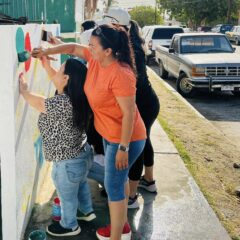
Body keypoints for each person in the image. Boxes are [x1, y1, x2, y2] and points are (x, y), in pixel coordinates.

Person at [32, 23, 146, 240]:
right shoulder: (96, 58)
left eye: (92, 45)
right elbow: (72, 48)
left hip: (125, 138)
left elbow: (129, 115)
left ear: (108, 51)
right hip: (110, 136)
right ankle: (121, 227)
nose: (88, 48)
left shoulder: (121, 74)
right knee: (117, 182)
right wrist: (46, 52)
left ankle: (116, 237)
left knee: (113, 187)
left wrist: (123, 147)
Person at [19, 57, 96, 237]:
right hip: (82, 154)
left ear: (67, 79)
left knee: (66, 196)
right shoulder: (77, 96)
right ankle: (86, 211)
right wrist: (46, 64)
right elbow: (56, 77)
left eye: (59, 70)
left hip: (68, 163)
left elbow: (39, 103)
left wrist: (24, 92)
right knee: (81, 185)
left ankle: (69, 225)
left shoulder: (62, 102)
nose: (56, 72)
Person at [103, 8, 160, 208]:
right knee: (145, 142)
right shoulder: (129, 43)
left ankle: (133, 196)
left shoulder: (128, 49)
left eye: (106, 25)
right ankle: (149, 181)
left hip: (143, 105)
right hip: (148, 102)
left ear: (117, 25)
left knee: (135, 145)